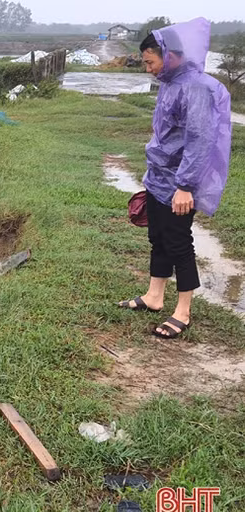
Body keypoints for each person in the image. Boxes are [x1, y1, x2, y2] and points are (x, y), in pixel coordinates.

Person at [117, 18, 231, 339]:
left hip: (181, 184)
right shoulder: (170, 81)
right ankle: (154, 297)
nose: (148, 69)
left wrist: (186, 186)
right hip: (159, 178)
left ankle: (183, 311)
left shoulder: (196, 87)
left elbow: (199, 140)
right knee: (159, 237)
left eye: (150, 62)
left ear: (168, 54)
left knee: (179, 243)